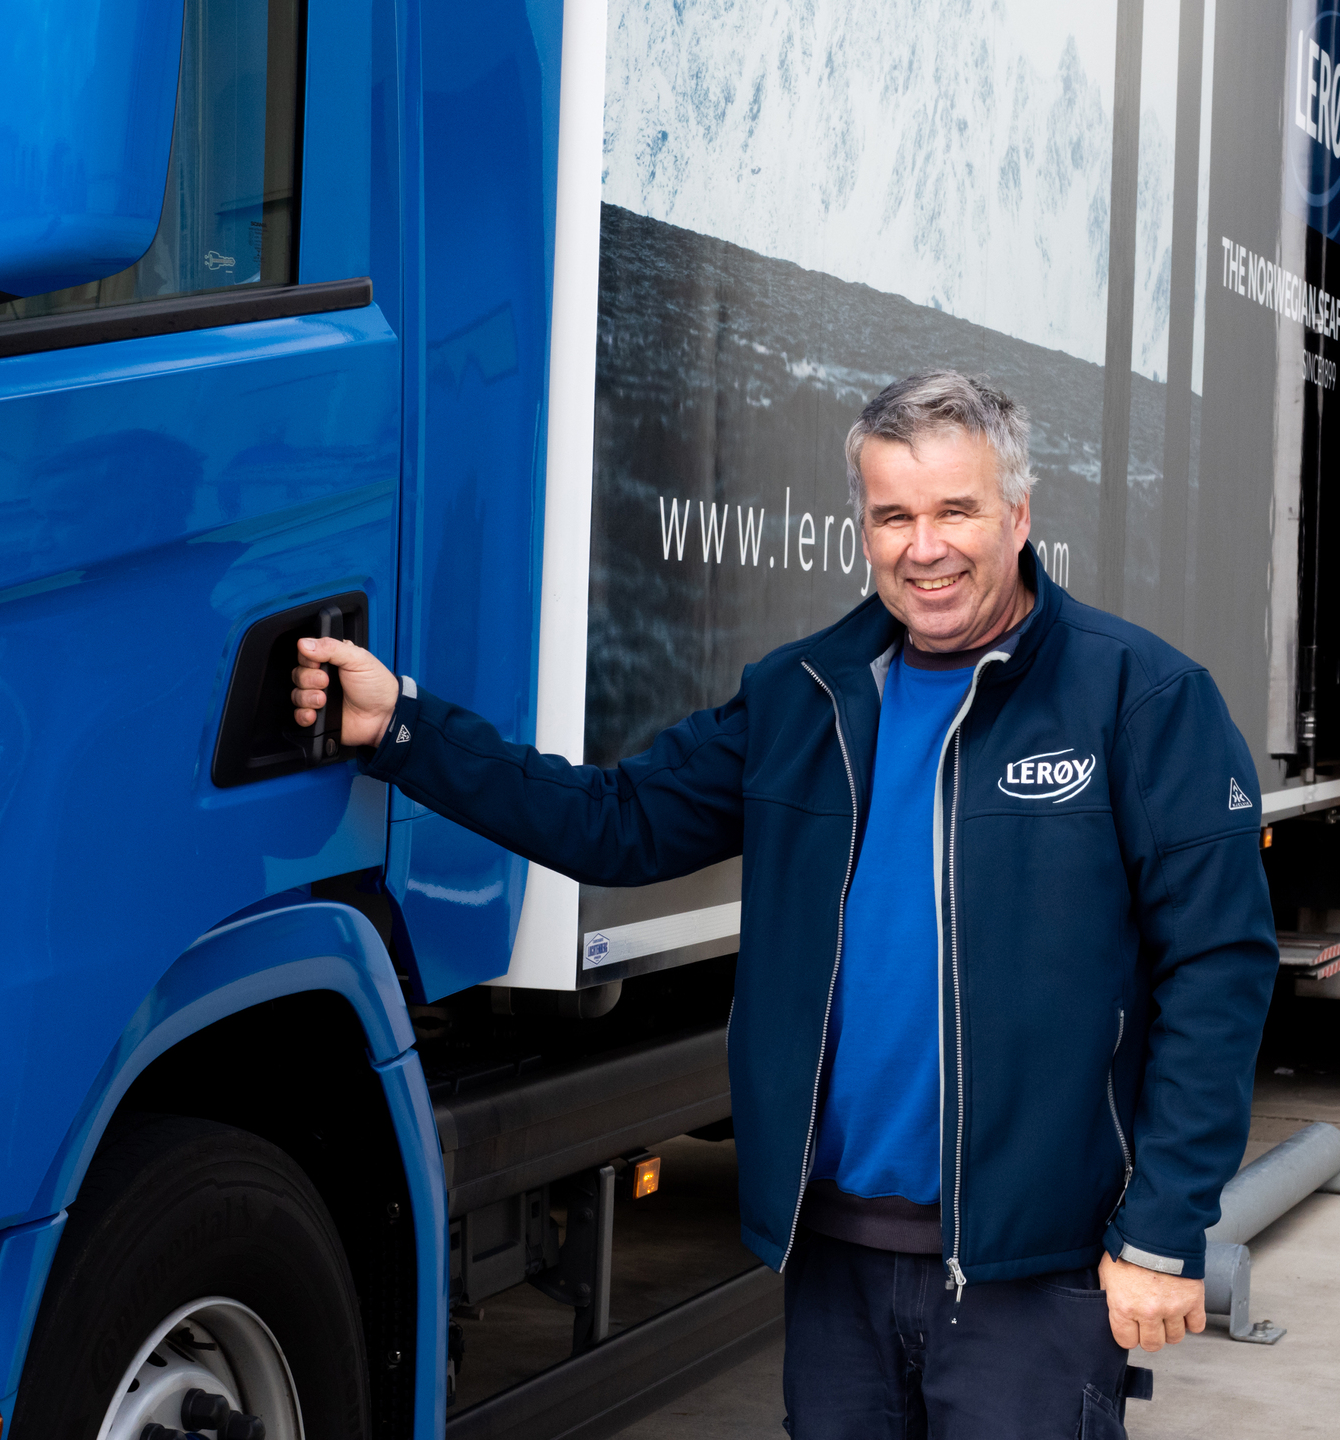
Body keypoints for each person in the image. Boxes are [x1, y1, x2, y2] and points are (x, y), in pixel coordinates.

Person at [292, 372, 1279, 1439]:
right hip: (839, 1264)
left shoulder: (1140, 699)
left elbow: (1217, 968)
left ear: (1019, 515)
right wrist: (405, 729)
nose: (926, 546)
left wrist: (1162, 1230)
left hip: (1032, 1274)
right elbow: (614, 823)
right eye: (894, 515)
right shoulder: (805, 695)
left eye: (956, 511)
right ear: (863, 524)